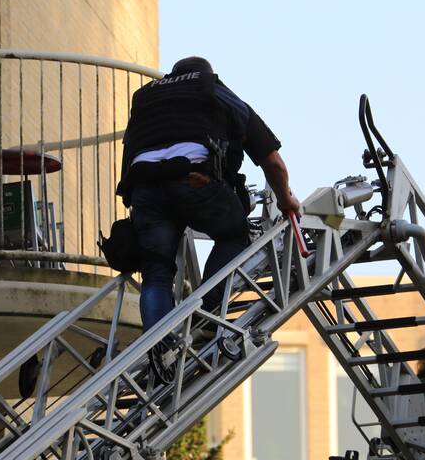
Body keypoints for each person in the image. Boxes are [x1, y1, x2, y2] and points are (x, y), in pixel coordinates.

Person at [117, 56, 300, 335]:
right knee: (234, 233)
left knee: (156, 272)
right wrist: (286, 200)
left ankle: (157, 350)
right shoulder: (212, 88)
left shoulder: (144, 98)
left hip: (145, 188)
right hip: (193, 180)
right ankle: (205, 314)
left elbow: (131, 147)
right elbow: (272, 162)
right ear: (207, 73)